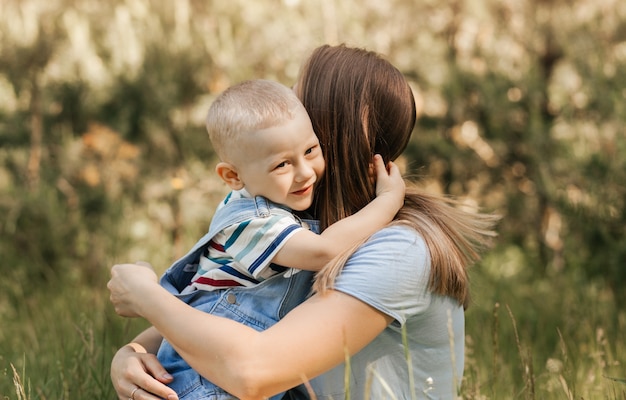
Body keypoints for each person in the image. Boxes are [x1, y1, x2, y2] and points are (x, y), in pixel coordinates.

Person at [108, 44, 497, 400]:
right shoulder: (298, 225)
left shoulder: (398, 249)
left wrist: (147, 296)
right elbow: (210, 304)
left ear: (325, 132)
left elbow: (252, 373)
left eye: (297, 100)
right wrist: (132, 354)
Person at [115, 78, 404, 399]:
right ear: (233, 176)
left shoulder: (279, 207)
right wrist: (387, 201)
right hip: (205, 382)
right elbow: (324, 251)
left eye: (310, 150)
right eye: (282, 164)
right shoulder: (253, 222)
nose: (305, 172)